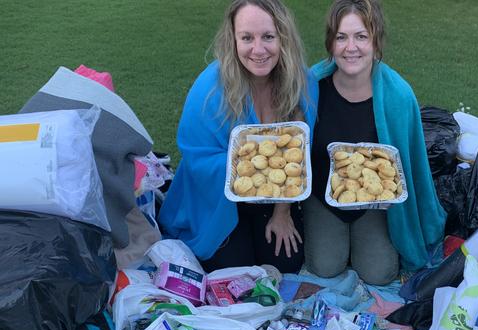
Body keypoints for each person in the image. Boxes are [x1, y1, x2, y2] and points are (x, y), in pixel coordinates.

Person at [158, 0, 317, 274]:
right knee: (233, 269)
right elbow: (197, 157)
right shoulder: (208, 90)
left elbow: (297, 160)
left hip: (272, 195)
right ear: (233, 40)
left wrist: (283, 213)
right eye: (247, 38)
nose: (258, 49)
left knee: (286, 262)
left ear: (283, 38)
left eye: (268, 37)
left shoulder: (303, 84)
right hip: (215, 198)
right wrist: (249, 165)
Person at [305, 0, 446, 285]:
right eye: (341, 37)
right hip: (322, 195)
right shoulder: (310, 87)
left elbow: (410, 162)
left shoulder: (398, 96)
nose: (350, 47)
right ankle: (335, 238)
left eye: (361, 36)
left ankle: (360, 240)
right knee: (325, 266)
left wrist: (391, 197)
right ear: (331, 43)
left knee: (379, 273)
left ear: (375, 41)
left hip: (373, 203)